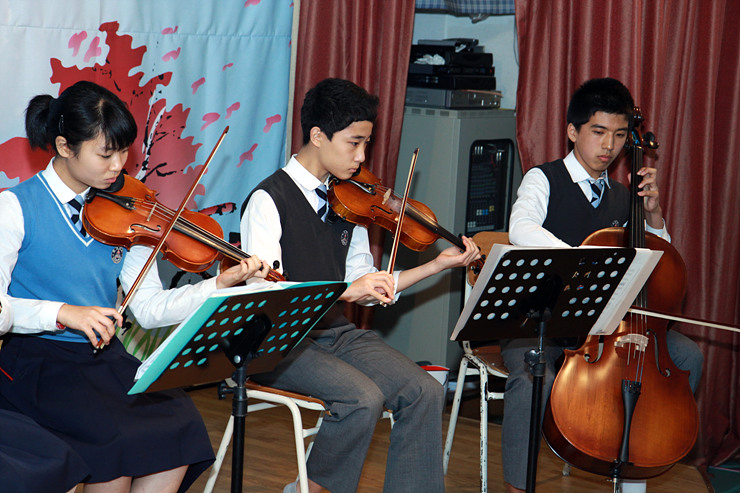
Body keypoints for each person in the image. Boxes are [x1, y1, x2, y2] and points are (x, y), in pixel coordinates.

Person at [0, 80, 270, 492]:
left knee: (179, 427)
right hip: (37, 361)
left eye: (125, 152)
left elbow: (149, 309)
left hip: (101, 357)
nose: (118, 166)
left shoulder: (130, 211)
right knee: (116, 442)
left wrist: (218, 284)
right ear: (64, 146)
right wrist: (61, 313)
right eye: (105, 154)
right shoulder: (15, 208)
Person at [240, 77, 480, 493]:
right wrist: (346, 291)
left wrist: (437, 265)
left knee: (424, 390)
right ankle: (311, 489)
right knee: (361, 398)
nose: (362, 157)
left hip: (336, 334)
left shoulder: (349, 203)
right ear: (318, 136)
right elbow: (270, 294)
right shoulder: (268, 200)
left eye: (366, 144)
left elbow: (367, 285)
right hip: (281, 343)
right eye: (354, 143)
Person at [502, 77, 703, 493]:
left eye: (619, 135)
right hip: (546, 321)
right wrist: (583, 262)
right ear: (573, 131)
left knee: (687, 355)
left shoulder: (622, 195)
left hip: (608, 328)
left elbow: (659, 263)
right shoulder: (544, 179)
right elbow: (521, 228)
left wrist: (653, 215)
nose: (609, 146)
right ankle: (518, 487)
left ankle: (636, 463)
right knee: (531, 375)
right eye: (598, 132)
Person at [0, 293, 91, 493]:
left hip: (87, 354)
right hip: (33, 354)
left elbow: (5, 317)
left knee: (58, 458)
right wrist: (59, 312)